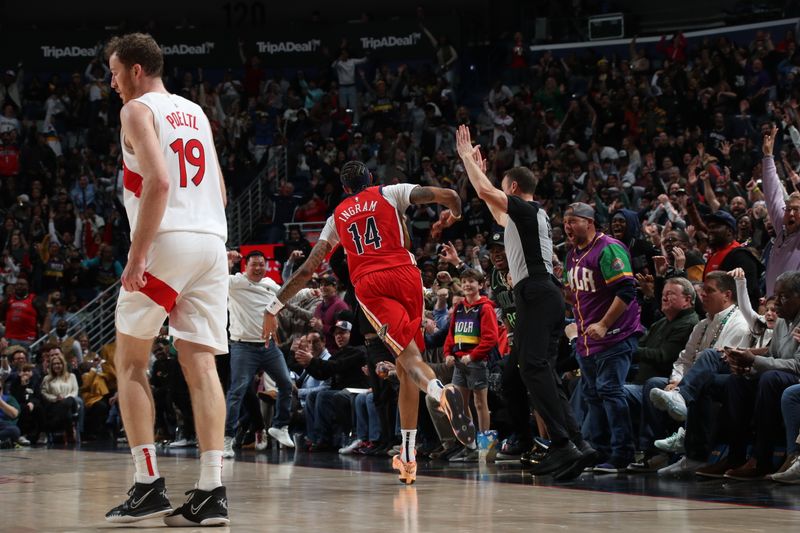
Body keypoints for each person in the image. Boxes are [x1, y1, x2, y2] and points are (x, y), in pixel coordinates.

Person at [264, 160, 475, 485]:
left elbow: (308, 269)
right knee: (407, 369)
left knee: (409, 363)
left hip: (373, 285)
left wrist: (274, 306)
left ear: (345, 188)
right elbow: (449, 196)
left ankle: (440, 392)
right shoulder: (391, 192)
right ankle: (407, 457)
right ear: (370, 179)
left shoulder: (337, 217)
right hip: (408, 275)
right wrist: (452, 216)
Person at [103, 33, 229, 526]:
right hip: (211, 241)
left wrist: (137, 257)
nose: (112, 83)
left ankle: (147, 483)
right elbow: (218, 187)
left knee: (130, 361)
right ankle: (210, 491)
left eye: (114, 72)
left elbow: (158, 181)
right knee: (200, 365)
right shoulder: (195, 111)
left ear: (136, 70)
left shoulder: (137, 109)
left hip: (167, 240)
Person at [455, 125, 594, 480]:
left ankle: (563, 443)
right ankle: (575, 442)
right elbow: (491, 202)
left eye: (504, 190)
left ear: (514, 189)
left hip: (535, 291)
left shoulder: (526, 210)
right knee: (518, 375)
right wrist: (481, 176)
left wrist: (467, 160)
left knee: (532, 368)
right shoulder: (530, 217)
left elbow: (487, 193)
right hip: (543, 293)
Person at [563, 202, 644, 472]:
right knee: (592, 395)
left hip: (615, 335)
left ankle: (623, 453)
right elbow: (576, 294)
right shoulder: (572, 255)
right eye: (565, 222)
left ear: (589, 222)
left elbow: (626, 291)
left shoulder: (608, 247)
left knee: (610, 391)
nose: (567, 226)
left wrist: (605, 324)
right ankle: (598, 451)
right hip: (588, 340)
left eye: (573, 221)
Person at [224, 249, 295, 458]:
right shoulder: (235, 283)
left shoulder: (270, 284)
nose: (258, 268)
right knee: (237, 391)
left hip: (268, 346)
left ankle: (279, 426)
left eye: (261, 264)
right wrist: (227, 262)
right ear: (245, 266)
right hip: (242, 346)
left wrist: (311, 293)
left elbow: (290, 292)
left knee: (285, 384)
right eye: (254, 264)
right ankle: (227, 439)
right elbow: (216, 277)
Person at [442, 268, 499, 461]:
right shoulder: (459, 308)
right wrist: (448, 353)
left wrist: (473, 356)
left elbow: (490, 338)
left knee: (480, 404)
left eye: (471, 281)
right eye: (464, 281)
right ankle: (469, 444)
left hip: (476, 362)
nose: (467, 284)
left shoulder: (485, 308)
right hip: (459, 362)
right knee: (460, 405)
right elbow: (451, 335)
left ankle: (486, 448)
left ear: (480, 285)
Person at [761, 125, 800, 296]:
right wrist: (768, 157)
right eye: (788, 209)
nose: (790, 213)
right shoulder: (780, 229)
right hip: (773, 308)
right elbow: (772, 194)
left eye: (797, 210)